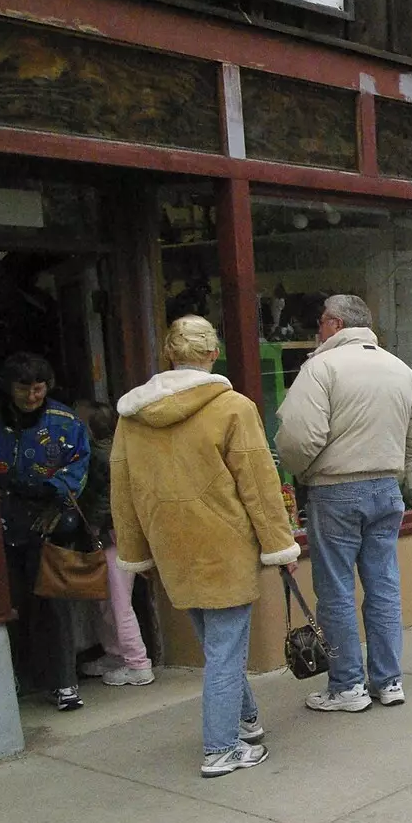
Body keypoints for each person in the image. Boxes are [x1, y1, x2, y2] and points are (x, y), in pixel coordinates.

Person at [111, 315, 300, 777]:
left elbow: (124, 488)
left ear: (169, 355)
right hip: (223, 541)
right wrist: (280, 546)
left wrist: (136, 552)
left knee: (216, 643)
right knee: (225, 648)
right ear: (213, 352)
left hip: (171, 543)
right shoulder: (232, 406)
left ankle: (246, 719)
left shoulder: (132, 416)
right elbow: (258, 482)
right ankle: (221, 746)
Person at [276, 294, 412, 713]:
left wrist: (305, 471)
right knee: (383, 585)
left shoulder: (320, 368)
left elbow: (296, 439)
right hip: (385, 487)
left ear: (333, 323)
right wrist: (393, 464)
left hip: (335, 488)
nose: (316, 329)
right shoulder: (400, 369)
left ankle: (348, 686)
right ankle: (389, 679)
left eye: (319, 321)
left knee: (336, 591)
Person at [0, 352, 90, 710]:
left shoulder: (65, 421)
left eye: (39, 387)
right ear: (8, 387)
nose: (32, 396)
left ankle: (64, 683)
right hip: (1, 522)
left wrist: (55, 500)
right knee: (9, 604)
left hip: (50, 521)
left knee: (54, 605)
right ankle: (16, 678)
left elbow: (80, 465)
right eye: (24, 388)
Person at [75, 400, 154, 687]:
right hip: (123, 532)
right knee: (111, 599)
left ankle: (136, 661)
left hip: (110, 533)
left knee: (117, 600)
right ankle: (117, 654)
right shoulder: (123, 449)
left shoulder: (95, 456)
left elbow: (97, 500)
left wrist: (93, 529)